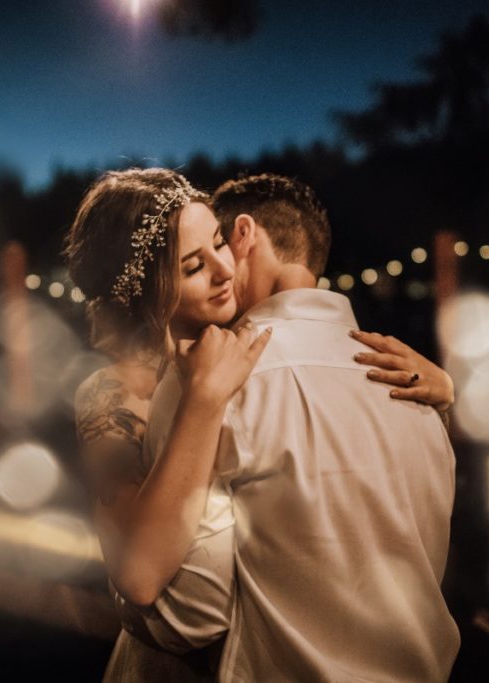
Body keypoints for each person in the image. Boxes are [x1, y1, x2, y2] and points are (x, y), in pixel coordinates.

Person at [64, 168, 455, 681]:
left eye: (220, 243)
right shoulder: (116, 393)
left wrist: (446, 396)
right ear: (147, 289)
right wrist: (202, 400)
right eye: (192, 266)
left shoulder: (249, 361)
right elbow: (146, 583)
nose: (225, 270)